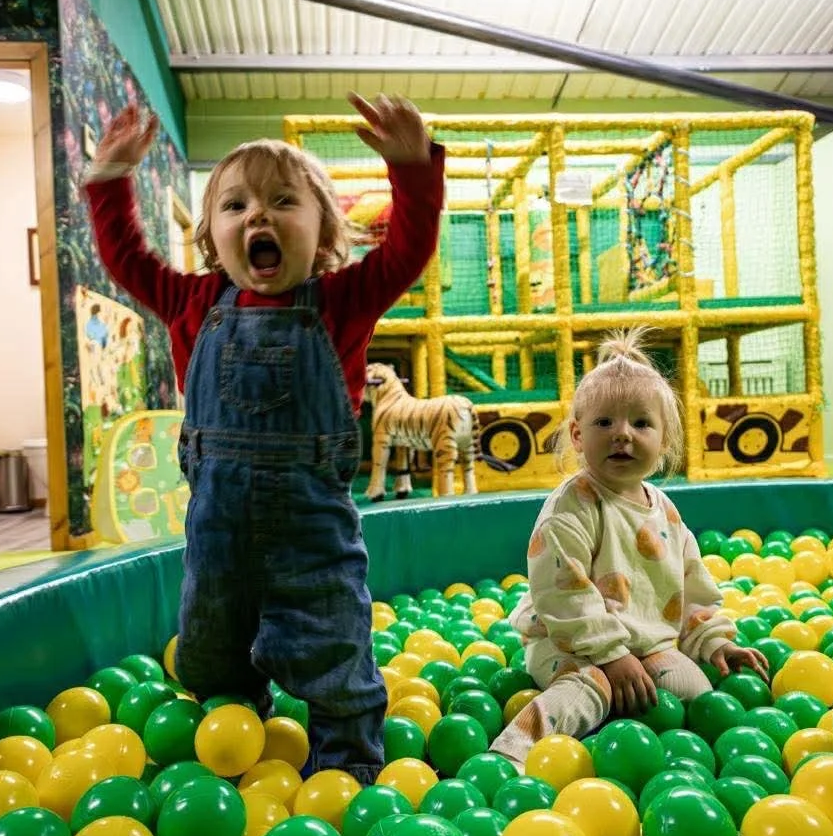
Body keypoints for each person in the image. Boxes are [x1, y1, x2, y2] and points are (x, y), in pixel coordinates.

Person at [83, 93, 445, 784]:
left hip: (315, 533)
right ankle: (232, 745)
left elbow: (406, 251)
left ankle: (345, 766)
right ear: (213, 237)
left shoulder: (341, 302)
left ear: (324, 231)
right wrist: (108, 183)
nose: (258, 215)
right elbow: (126, 258)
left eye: (284, 201)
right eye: (236, 205)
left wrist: (413, 169)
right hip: (217, 535)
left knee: (333, 643)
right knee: (212, 645)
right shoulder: (193, 304)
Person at [489, 328, 770, 769]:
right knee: (590, 689)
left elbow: (690, 591)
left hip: (645, 643)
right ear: (578, 436)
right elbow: (561, 593)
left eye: (641, 424)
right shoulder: (573, 506)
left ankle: (667, 758)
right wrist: (613, 657)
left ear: (664, 442)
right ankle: (512, 754)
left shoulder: (666, 512)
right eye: (605, 423)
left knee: (696, 693)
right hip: (572, 645)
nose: (622, 435)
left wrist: (714, 643)